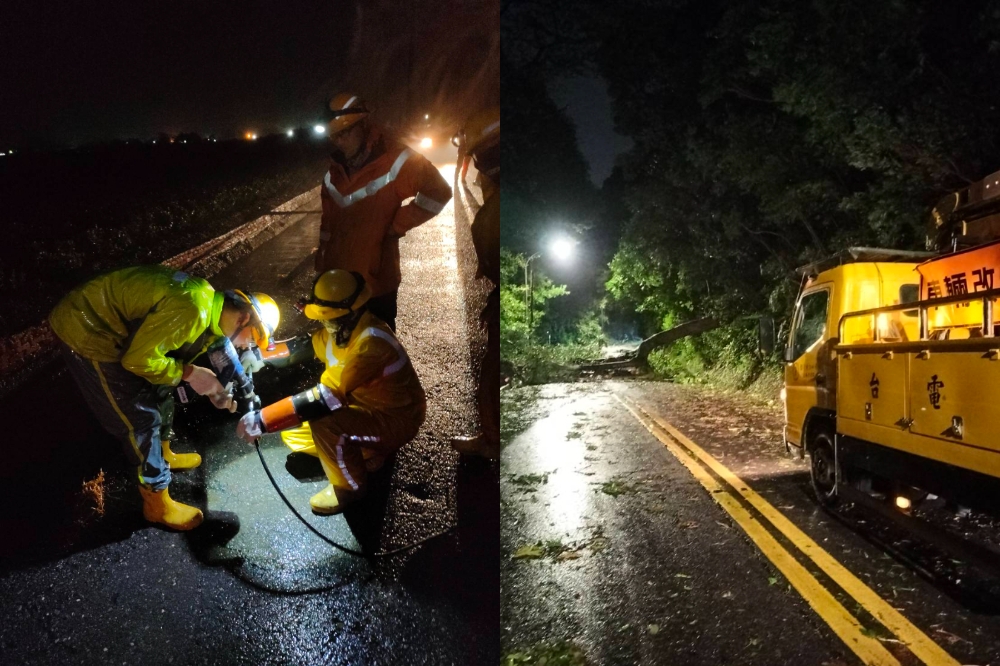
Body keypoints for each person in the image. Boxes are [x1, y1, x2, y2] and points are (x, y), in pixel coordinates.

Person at [49, 266, 279, 531]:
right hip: (88, 328)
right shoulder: (192, 310)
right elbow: (136, 360)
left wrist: (222, 388)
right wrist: (190, 373)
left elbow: (219, 347)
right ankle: (157, 505)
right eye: (255, 337)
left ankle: (164, 453)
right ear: (243, 317)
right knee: (140, 417)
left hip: (109, 323)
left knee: (162, 387)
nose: (248, 346)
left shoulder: (210, 304)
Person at [236, 269, 426, 515]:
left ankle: (349, 488)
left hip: (395, 421)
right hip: (364, 410)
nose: (325, 323)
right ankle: (368, 454)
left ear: (349, 313)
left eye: (329, 318)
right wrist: (261, 355)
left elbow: (324, 398)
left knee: (325, 423)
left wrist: (262, 421)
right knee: (292, 436)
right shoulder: (344, 330)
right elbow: (304, 346)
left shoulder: (372, 344)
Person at [315, 92, 453, 331]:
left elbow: (438, 191)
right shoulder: (333, 174)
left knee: (379, 353)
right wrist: (321, 268)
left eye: (345, 132)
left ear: (363, 126)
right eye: (335, 136)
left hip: (375, 284)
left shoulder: (397, 160)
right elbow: (328, 227)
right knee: (340, 353)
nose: (339, 141)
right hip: (338, 283)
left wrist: (395, 226)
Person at [451, 107, 500, 459]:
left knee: (490, 373)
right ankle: (492, 438)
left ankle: (492, 442)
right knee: (490, 369)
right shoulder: (493, 207)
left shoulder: (495, 212)